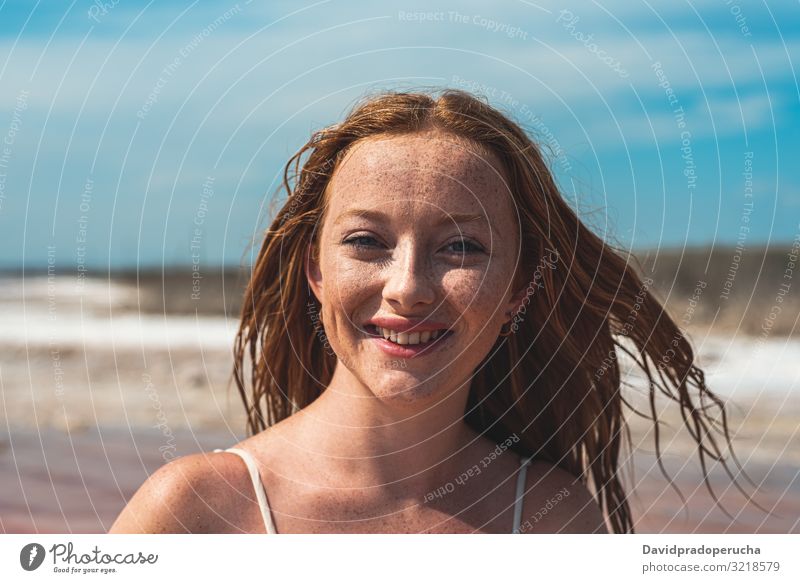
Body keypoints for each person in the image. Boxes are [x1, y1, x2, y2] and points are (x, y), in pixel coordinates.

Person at [110, 88, 751, 534]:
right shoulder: (198, 510)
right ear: (315, 270)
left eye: (462, 247)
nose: (409, 288)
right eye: (367, 242)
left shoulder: (552, 518)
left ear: (520, 284)